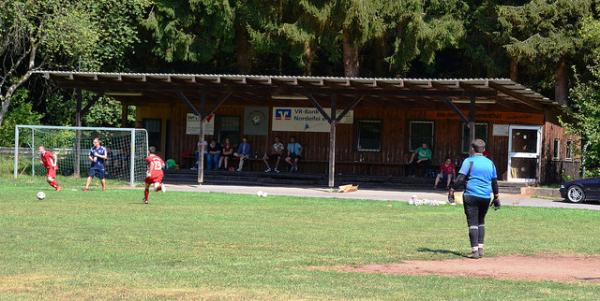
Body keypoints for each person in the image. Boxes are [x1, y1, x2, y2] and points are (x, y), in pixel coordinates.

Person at [449, 139, 500, 259]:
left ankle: (474, 251)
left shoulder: (469, 161)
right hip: (486, 197)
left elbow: (460, 179)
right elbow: (494, 182)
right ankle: (480, 249)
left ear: (472, 148)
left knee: (472, 223)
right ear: (483, 150)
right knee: (481, 221)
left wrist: (452, 189)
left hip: (471, 195)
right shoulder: (490, 163)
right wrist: (496, 197)